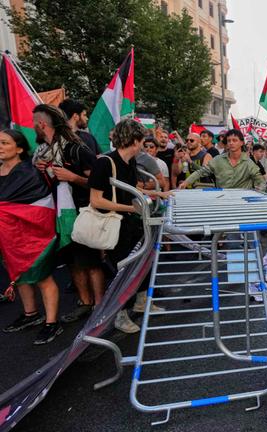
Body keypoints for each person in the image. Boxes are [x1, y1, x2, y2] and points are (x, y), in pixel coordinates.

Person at [88, 119, 172, 333]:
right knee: (122, 270)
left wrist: (157, 193)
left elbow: (133, 188)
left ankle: (142, 302)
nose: (144, 146)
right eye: (142, 141)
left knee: (144, 261)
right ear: (134, 141)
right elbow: (96, 200)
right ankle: (120, 315)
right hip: (114, 224)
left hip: (131, 222)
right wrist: (129, 208)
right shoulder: (105, 163)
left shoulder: (130, 162)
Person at [31, 104, 103, 325]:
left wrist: (73, 177)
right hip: (60, 215)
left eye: (34, 121)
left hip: (82, 213)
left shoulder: (76, 148)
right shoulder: (44, 151)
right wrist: (43, 172)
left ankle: (101, 307)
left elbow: (98, 182)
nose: (32, 126)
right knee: (72, 262)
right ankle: (85, 302)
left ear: (42, 124)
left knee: (90, 262)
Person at [0, 129, 64, 344]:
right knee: (17, 275)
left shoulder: (29, 172)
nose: (0, 146)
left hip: (34, 235)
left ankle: (52, 323)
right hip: (8, 236)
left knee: (42, 277)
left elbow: (41, 205)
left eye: (4, 142)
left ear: (19, 148)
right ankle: (31, 315)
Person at [178, 129, 265, 190]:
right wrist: (186, 182)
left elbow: (260, 180)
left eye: (235, 140)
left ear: (241, 143)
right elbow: (201, 172)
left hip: (242, 202)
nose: (231, 143)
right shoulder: (218, 160)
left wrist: (260, 188)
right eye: (229, 140)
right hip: (222, 200)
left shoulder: (249, 163)